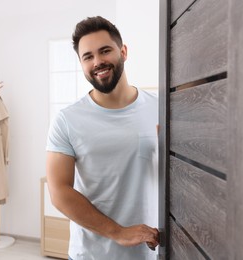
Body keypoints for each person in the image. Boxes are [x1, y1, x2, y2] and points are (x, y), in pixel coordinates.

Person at [45, 16, 159, 259]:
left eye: (105, 51)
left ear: (123, 52)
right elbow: (59, 191)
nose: (98, 62)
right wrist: (118, 232)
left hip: (150, 251)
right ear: (81, 63)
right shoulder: (67, 120)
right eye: (88, 56)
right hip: (91, 254)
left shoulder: (160, 109)